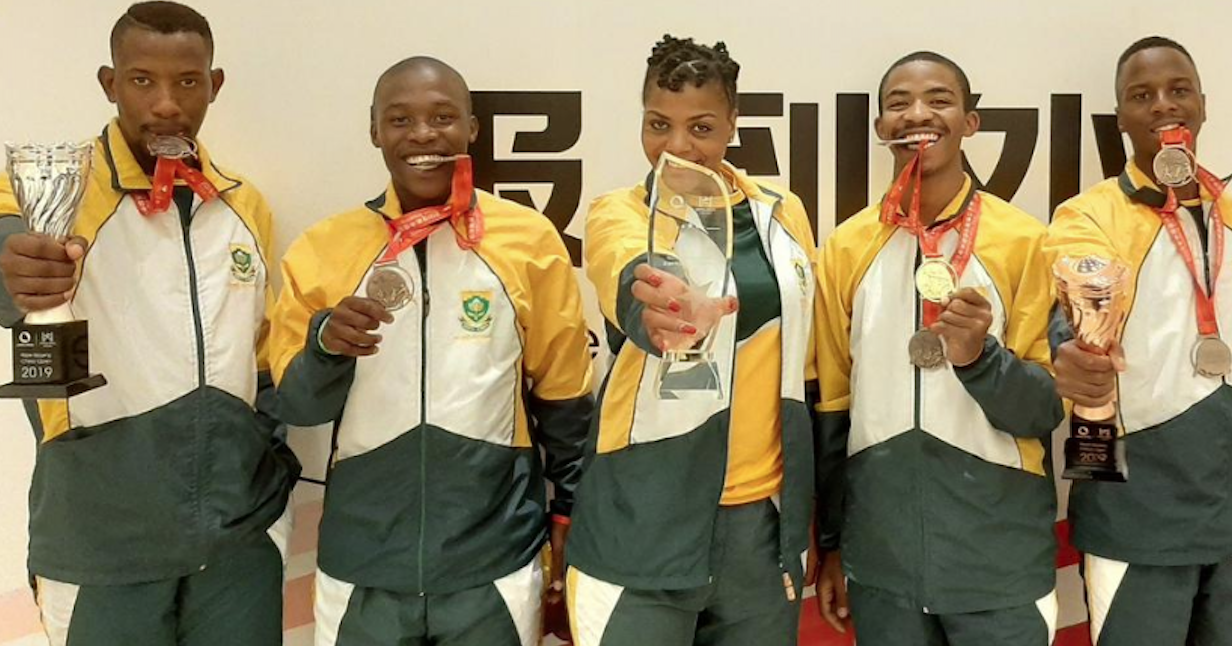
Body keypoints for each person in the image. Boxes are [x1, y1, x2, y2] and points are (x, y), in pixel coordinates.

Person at [0, 0, 299, 646]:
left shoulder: (244, 205)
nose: (166, 104)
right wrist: (12, 264)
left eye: (187, 81)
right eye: (142, 80)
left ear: (214, 86)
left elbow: (262, 359)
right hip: (102, 545)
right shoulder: (49, 191)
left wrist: (265, 458)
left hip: (238, 543)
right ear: (110, 84)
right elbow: (9, 268)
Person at [269, 56, 593, 646]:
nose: (422, 135)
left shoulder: (527, 239)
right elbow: (298, 406)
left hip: (493, 561)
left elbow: (564, 396)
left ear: (472, 128)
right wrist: (326, 345)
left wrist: (570, 509)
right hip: (362, 564)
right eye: (400, 119)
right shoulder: (323, 248)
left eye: (442, 117)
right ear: (374, 131)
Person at [1045, 35, 1232, 646]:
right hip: (1140, 526)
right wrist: (1075, 349)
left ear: (1202, 105)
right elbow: (1075, 309)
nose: (1164, 104)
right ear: (1120, 117)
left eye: (1178, 90)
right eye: (1142, 95)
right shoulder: (1088, 217)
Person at [565, 35, 817, 646]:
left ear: (733, 123)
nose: (677, 146)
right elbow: (629, 271)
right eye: (659, 124)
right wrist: (657, 306)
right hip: (641, 519)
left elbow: (809, 365)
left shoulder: (782, 213)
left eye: (701, 127)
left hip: (763, 528)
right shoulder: (619, 212)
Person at [813, 51, 1063, 646]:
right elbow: (832, 409)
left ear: (970, 122)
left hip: (1000, 565)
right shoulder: (846, 248)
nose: (917, 115)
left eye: (939, 100)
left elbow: (1045, 410)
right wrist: (833, 545)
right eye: (898, 104)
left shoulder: (1026, 242)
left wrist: (981, 358)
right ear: (880, 127)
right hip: (882, 566)